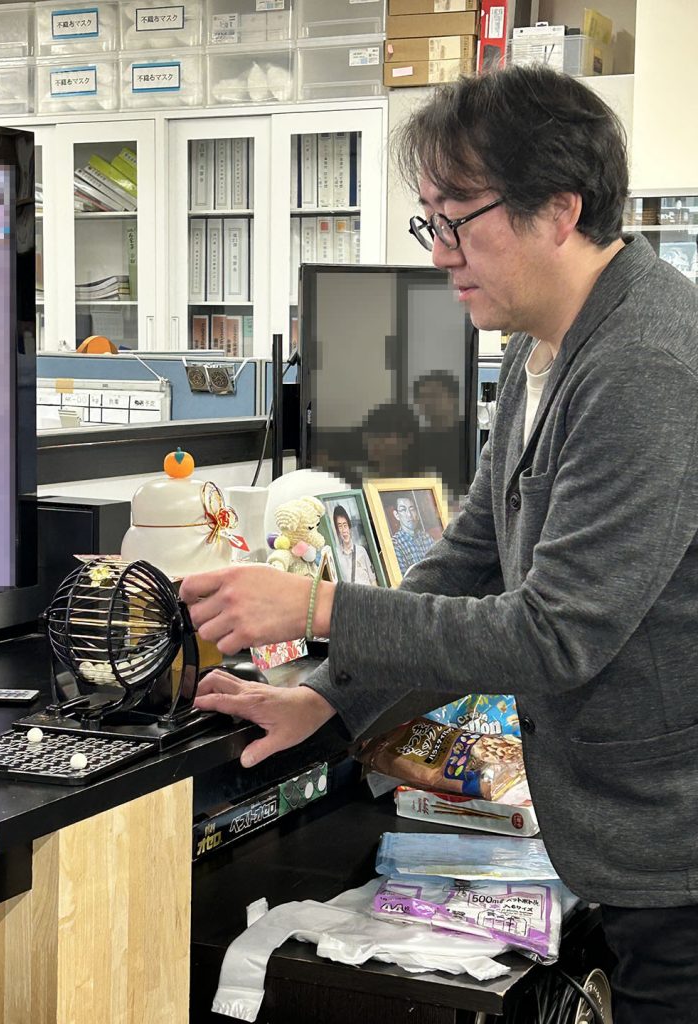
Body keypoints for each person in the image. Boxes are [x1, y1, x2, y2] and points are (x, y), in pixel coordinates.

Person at [180, 65, 698, 1023]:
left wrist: (316, 606)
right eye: (431, 223)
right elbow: (470, 562)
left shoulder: (646, 364)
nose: (443, 254)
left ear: (560, 209)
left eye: (459, 219)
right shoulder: (542, 342)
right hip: (627, 836)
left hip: (675, 852)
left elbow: (554, 636)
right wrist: (327, 699)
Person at [387, 492, 434, 575]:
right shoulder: (395, 545)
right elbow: (404, 578)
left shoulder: (426, 537)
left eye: (412, 509)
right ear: (396, 515)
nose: (409, 514)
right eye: (403, 510)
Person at [331, 504, 377, 586]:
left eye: (345, 525)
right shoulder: (336, 556)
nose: (344, 530)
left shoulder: (361, 551)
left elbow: (373, 580)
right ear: (337, 530)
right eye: (340, 526)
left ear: (349, 527)